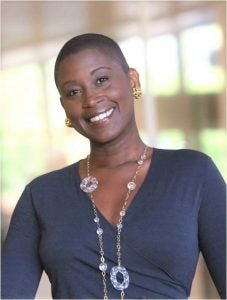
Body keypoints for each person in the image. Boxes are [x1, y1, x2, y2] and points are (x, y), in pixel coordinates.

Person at [1, 33, 226, 300]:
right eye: (74, 91)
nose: (91, 99)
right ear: (65, 108)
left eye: (101, 80)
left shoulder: (192, 173)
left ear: (133, 80)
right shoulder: (41, 196)